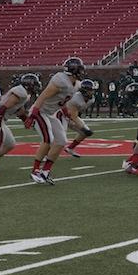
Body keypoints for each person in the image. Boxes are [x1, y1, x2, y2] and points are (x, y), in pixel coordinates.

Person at [24, 57, 85, 185]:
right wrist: (32, 115)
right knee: (48, 139)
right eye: (79, 69)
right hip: (40, 111)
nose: (82, 72)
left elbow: (61, 99)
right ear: (73, 70)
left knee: (61, 141)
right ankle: (35, 170)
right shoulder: (61, 80)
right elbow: (43, 96)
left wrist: (66, 112)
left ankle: (45, 172)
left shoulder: (76, 84)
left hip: (51, 113)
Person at [56, 79, 97, 158]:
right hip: (61, 115)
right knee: (60, 138)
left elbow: (76, 113)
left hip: (71, 115)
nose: (93, 92)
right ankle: (46, 154)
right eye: (91, 90)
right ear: (84, 91)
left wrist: (84, 129)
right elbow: (73, 116)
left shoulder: (91, 99)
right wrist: (83, 128)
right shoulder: (75, 99)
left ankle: (70, 148)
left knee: (84, 133)